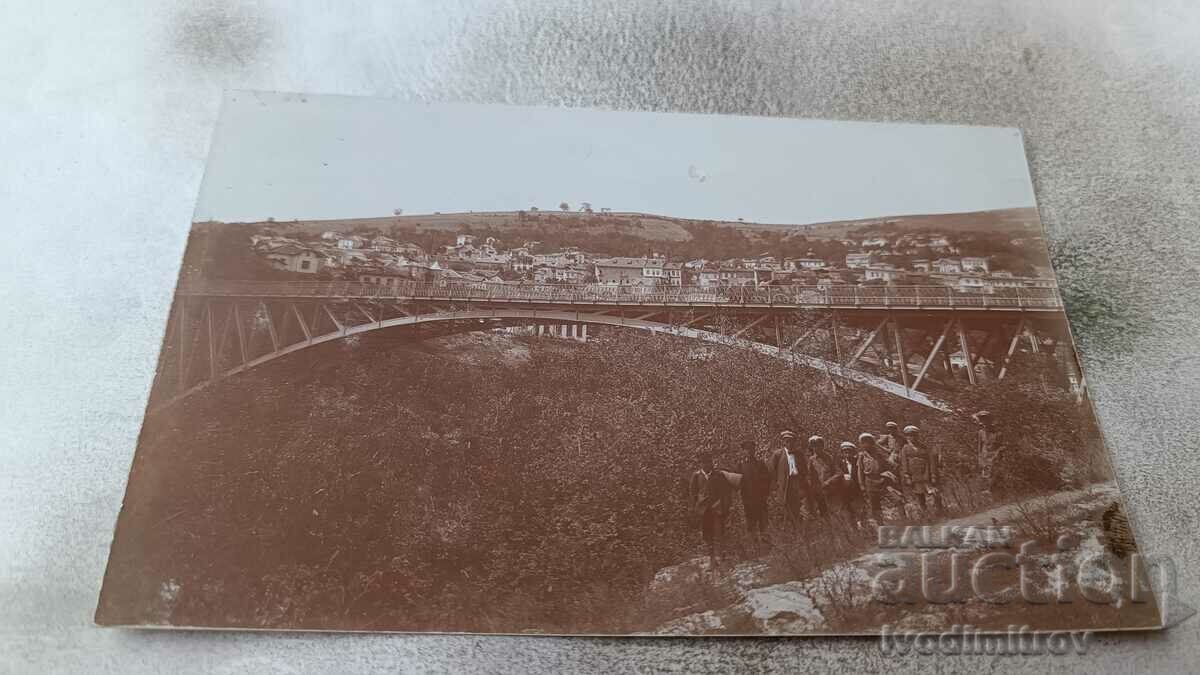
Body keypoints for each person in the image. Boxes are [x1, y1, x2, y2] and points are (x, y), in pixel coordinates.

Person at [689, 452, 734, 567]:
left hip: (717, 509)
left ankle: (723, 557)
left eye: (709, 462)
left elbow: (726, 492)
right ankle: (712, 558)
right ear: (701, 464)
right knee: (707, 534)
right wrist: (695, 508)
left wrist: (726, 506)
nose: (707, 464)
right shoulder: (696, 476)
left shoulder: (718, 475)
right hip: (704, 510)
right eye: (704, 462)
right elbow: (693, 494)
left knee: (719, 532)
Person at [771, 430, 814, 525]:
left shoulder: (799, 454)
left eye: (791, 441)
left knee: (802, 506)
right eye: (787, 441)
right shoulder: (777, 454)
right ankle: (790, 531)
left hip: (798, 483)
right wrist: (775, 486)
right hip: (785, 484)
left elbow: (805, 470)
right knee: (786, 507)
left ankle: (803, 529)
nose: (789, 443)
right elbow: (771, 471)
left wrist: (805, 482)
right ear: (783, 442)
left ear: (794, 442)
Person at [736, 440, 773, 548]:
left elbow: (767, 479)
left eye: (752, 449)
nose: (750, 451)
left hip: (760, 499)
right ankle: (754, 546)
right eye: (747, 449)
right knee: (751, 523)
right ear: (743, 451)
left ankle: (766, 545)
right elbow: (736, 481)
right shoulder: (740, 465)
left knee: (763, 522)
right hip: (747, 500)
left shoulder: (760, 464)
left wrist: (765, 493)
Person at [899, 425, 942, 515]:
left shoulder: (924, 447)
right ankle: (925, 513)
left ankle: (940, 511)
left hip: (926, 473)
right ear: (907, 437)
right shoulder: (905, 448)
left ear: (917, 435)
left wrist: (933, 474)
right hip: (914, 475)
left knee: (934, 492)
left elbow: (931, 461)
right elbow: (904, 463)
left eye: (914, 435)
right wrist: (907, 476)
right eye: (909, 435)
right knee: (919, 494)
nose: (912, 437)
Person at [855, 432, 894, 524]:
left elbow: (889, 465)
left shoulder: (879, 454)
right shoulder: (861, 456)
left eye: (868, 442)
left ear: (872, 443)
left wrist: (888, 474)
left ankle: (903, 519)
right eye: (863, 443)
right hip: (870, 482)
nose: (866, 445)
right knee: (874, 504)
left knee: (897, 499)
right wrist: (862, 485)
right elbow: (860, 472)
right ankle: (880, 524)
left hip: (882, 480)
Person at [974, 410, 1005, 495]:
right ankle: (990, 495)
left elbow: (1002, 446)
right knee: (986, 476)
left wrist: (997, 455)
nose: (983, 421)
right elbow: (979, 446)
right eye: (981, 419)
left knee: (995, 476)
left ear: (990, 420)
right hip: (985, 457)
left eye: (985, 419)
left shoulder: (997, 431)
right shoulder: (980, 432)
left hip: (995, 457)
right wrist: (980, 459)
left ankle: (998, 494)